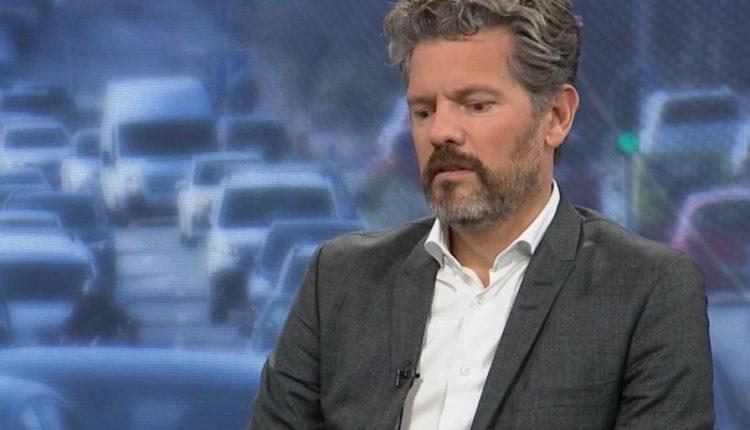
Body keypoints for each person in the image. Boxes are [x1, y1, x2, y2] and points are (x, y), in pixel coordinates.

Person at [248, 1, 714, 428]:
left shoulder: (647, 291)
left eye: (476, 106)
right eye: (423, 111)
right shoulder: (340, 279)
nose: (441, 132)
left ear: (555, 116)